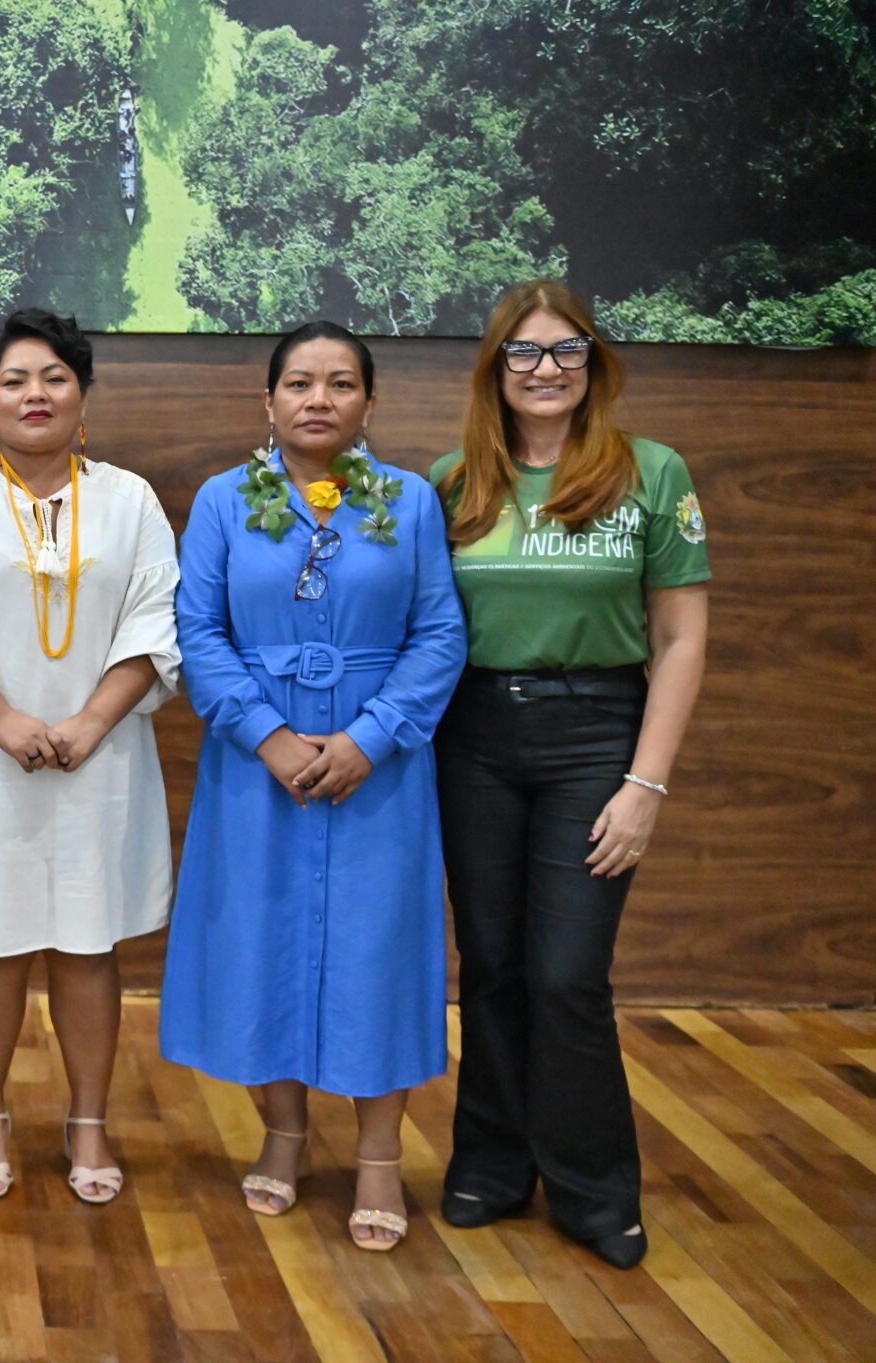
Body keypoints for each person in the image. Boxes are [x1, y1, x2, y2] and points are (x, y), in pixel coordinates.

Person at [158, 322, 465, 1251]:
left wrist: (371, 738)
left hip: (381, 768)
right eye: (299, 382)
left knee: (381, 947)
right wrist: (269, 735)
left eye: (340, 383)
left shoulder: (409, 502)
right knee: (261, 941)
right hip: (259, 768)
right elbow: (196, 628)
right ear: (269, 402)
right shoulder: (221, 500)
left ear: (370, 403)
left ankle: (379, 1156)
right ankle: (283, 1133)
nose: (318, 398)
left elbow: (440, 632)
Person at [430, 279, 709, 1270]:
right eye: (521, 352)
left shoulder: (651, 474)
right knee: (493, 966)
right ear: (493, 369)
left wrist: (645, 784)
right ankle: (490, 1165)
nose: (542, 370)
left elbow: (678, 639)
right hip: (468, 737)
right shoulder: (451, 481)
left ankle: (593, 1187)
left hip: (595, 737)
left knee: (565, 974)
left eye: (564, 351)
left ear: (594, 364)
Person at [0, 309, 179, 1206]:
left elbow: (155, 615)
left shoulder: (129, 498)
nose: (34, 394)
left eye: (53, 376)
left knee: (89, 945)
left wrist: (91, 719)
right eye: (14, 380)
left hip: (102, 758)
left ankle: (87, 1122)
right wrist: (4, 717)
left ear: (82, 394)